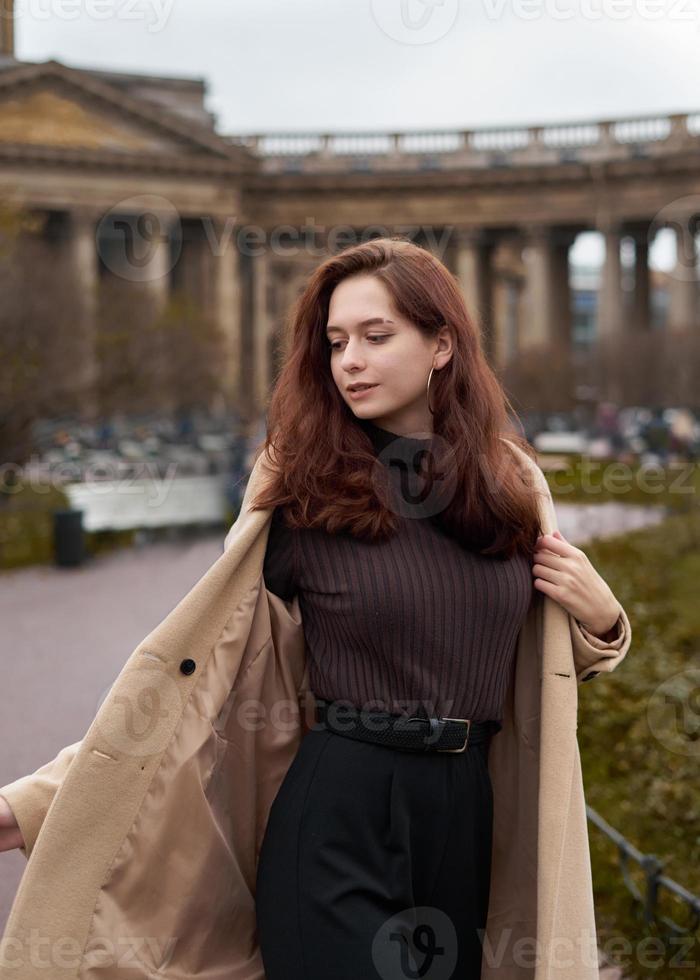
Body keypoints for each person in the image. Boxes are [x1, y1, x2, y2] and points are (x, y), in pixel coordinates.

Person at [0, 236, 629, 980]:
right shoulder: (302, 487)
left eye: (375, 336)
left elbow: (528, 658)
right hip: (338, 818)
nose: (350, 361)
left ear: (441, 344)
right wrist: (34, 804)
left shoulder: (509, 484)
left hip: (466, 824)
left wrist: (602, 623)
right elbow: (200, 676)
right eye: (335, 343)